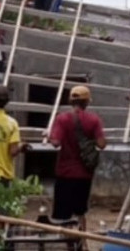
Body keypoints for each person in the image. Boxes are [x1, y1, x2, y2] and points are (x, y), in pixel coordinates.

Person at [48, 86, 106, 231]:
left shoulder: (62, 119)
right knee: (80, 212)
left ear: (70, 101)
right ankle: (83, 242)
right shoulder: (94, 120)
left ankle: (67, 243)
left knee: (63, 215)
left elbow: (55, 143)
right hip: (84, 174)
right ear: (87, 102)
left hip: (64, 174)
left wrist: (48, 136)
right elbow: (101, 144)